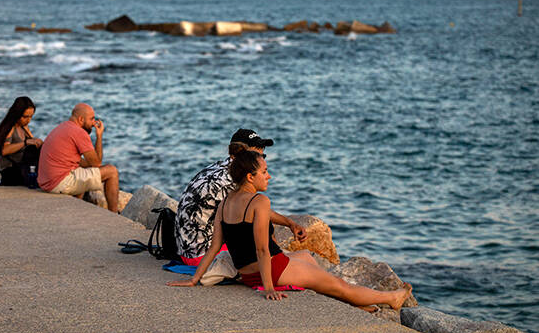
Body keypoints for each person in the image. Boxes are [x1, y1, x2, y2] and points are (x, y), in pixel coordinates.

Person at [168, 150, 413, 310]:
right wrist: (269, 288)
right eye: (264, 172)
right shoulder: (260, 202)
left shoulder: (226, 202)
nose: (269, 176)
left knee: (306, 256)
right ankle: (391, 298)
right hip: (272, 269)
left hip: (246, 271)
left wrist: (194, 279)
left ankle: (339, 295)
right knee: (340, 284)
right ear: (250, 177)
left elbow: (214, 247)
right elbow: (263, 249)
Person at [175, 129, 307, 266]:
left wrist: (290, 223)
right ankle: (276, 267)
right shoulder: (229, 181)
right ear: (241, 155)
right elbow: (257, 212)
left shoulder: (220, 167)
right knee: (260, 223)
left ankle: (277, 262)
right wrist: (289, 224)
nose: (261, 160)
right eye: (256, 155)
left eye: (263, 156)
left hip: (187, 248)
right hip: (200, 254)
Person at [37, 103, 119, 212]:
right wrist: (99, 136)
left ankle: (76, 208)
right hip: (58, 183)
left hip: (47, 182)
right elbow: (97, 163)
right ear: (81, 119)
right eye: (92, 119)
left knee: (81, 170)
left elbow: (84, 163)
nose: (94, 123)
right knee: (112, 171)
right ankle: (114, 214)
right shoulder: (79, 132)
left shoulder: (62, 127)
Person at [0, 97, 43, 186]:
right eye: (25, 117)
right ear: (17, 114)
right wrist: (25, 142)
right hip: (11, 172)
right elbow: (4, 150)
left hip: (23, 168)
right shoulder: (10, 128)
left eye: (31, 116)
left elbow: (33, 143)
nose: (28, 120)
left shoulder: (23, 126)